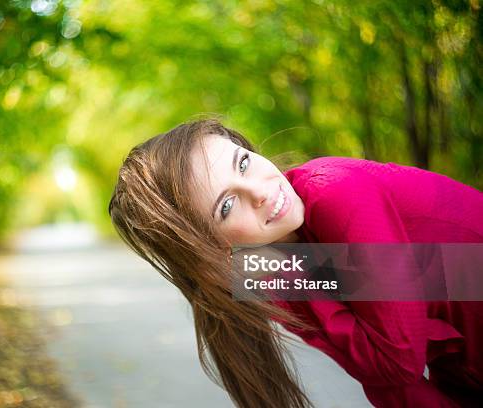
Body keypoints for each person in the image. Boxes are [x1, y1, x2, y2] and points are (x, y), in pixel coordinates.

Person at [108, 118, 483, 407]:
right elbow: (395, 387)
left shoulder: (335, 190)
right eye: (226, 205)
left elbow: (395, 364)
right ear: (211, 248)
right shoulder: (270, 265)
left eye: (242, 163)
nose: (259, 191)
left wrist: (283, 277)